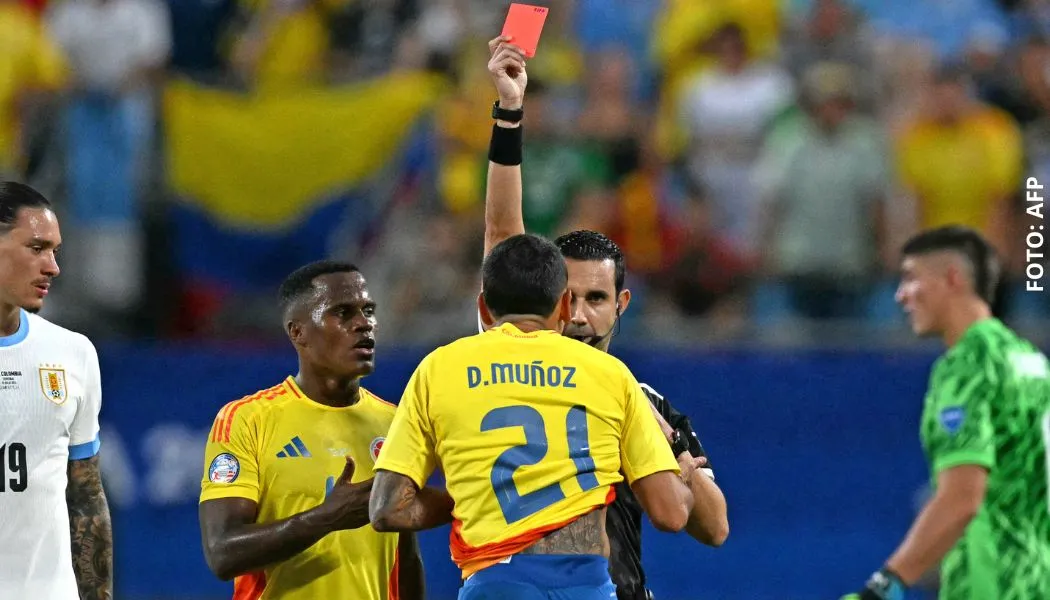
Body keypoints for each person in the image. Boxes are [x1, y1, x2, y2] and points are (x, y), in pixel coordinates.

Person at [481, 36, 730, 599]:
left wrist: (667, 443)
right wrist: (510, 113)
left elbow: (713, 527)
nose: (580, 315)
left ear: (620, 305)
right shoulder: (502, 360)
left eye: (597, 299)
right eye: (568, 297)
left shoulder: (642, 399)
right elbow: (500, 233)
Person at [369, 233, 696, 600]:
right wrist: (682, 469)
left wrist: (474, 494)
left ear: (483, 309)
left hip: (492, 587)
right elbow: (672, 514)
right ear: (564, 306)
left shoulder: (437, 370)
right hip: (585, 588)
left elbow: (388, 510)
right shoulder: (608, 374)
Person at [198, 260, 442, 600]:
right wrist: (326, 517)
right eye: (343, 313)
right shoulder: (246, 419)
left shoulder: (395, 422)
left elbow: (405, 558)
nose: (363, 324)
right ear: (297, 331)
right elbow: (222, 553)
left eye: (368, 311)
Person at [843, 225, 1050, 600]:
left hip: (990, 586)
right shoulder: (1030, 361)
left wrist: (884, 587)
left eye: (910, 279)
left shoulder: (966, 367)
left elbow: (962, 497)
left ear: (952, 278)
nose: (901, 295)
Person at [0, 181, 113, 599]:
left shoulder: (72, 353)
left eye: (55, 251)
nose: (53, 267)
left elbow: (86, 498)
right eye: (36, 248)